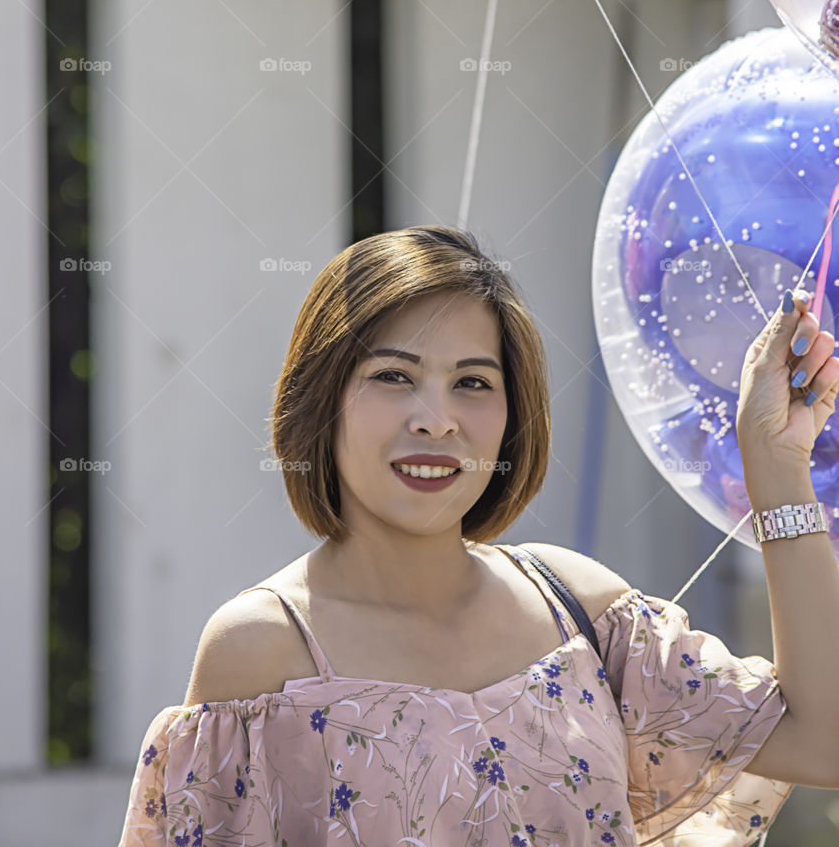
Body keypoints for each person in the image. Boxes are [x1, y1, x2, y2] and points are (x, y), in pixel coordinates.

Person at [116, 225, 839, 847]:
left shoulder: (581, 612)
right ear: (322, 401)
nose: (436, 418)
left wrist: (773, 465)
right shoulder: (260, 651)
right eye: (393, 376)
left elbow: (823, 737)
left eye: (472, 382)